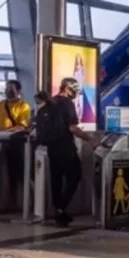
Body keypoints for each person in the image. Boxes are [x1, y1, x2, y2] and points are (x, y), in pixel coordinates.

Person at [36, 78, 93, 227]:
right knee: (75, 176)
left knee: (56, 180)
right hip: (66, 147)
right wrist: (90, 139)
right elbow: (73, 128)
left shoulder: (49, 104)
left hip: (51, 148)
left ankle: (59, 211)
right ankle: (61, 208)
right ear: (68, 88)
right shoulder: (67, 104)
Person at [0, 80, 32, 194]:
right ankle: (6, 195)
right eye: (7, 88)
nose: (8, 91)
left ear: (18, 91)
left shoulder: (24, 106)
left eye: (11, 89)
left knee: (16, 169)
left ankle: (19, 195)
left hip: (15, 143)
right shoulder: (1, 104)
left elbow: (22, 125)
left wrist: (7, 132)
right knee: (2, 170)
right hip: (0, 141)